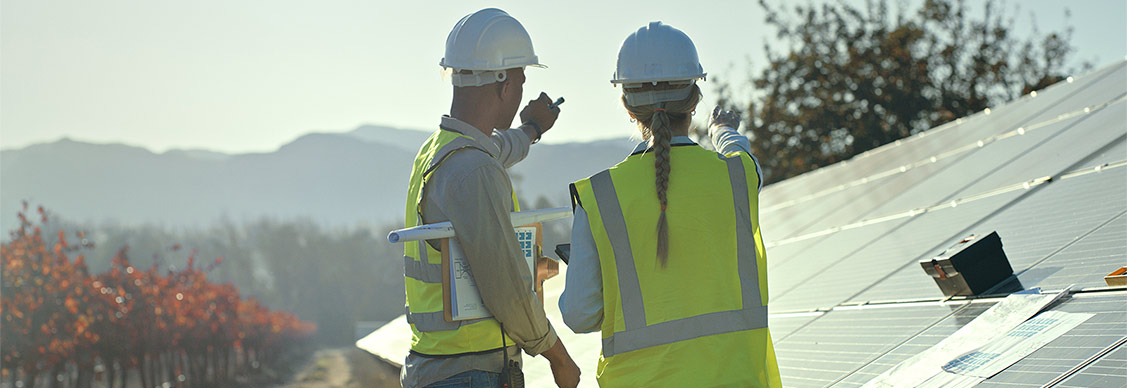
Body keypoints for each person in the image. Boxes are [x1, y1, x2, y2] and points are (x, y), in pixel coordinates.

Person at [559, 21, 782, 387]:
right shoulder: (738, 177)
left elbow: (581, 315)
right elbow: (741, 154)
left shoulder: (599, 196)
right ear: (694, 102)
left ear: (628, 108)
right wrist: (723, 130)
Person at [400, 8, 580, 388]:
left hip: (437, 367)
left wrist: (531, 129)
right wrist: (559, 358)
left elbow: (493, 149)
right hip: (469, 373)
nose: (521, 91)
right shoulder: (473, 171)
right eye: (520, 80)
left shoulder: (440, 152)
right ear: (503, 85)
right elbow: (508, 289)